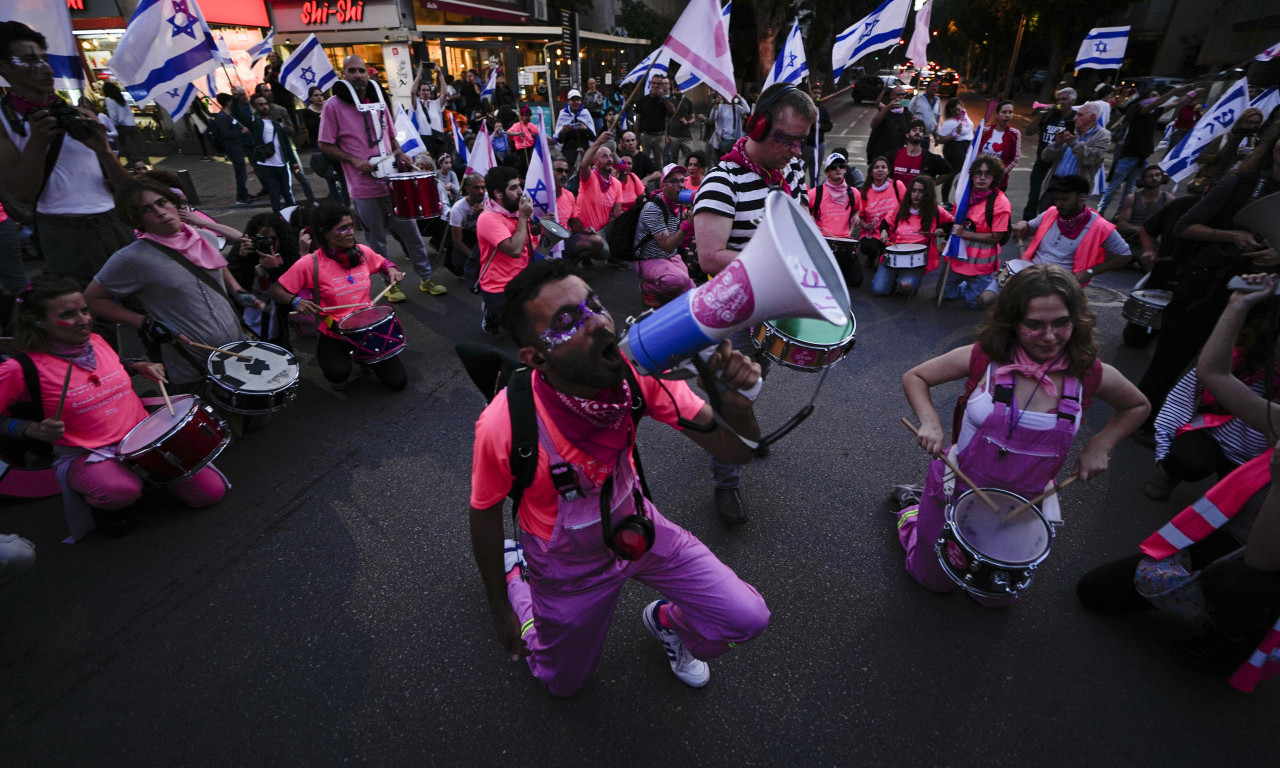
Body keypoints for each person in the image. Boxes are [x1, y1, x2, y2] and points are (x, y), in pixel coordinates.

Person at [468, 259, 770, 696]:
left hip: (638, 525)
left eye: (594, 305)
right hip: (566, 565)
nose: (597, 323)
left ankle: (667, 622)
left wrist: (737, 407)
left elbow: (736, 452)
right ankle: (519, 579)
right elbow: (484, 513)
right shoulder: (504, 423)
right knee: (561, 685)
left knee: (746, 618)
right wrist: (501, 606)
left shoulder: (638, 375)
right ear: (536, 358)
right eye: (567, 322)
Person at [895, 263, 1148, 601]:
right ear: (1012, 322)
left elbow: (1137, 406)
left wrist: (1101, 444)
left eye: (1061, 323)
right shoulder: (984, 358)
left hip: (1023, 504)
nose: (1049, 336)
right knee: (933, 581)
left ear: (1077, 320)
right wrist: (930, 422)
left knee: (991, 597)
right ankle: (914, 513)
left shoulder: (1089, 373)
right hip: (956, 488)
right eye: (1034, 324)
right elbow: (916, 377)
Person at [1077, 275, 1280, 684]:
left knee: (1235, 583)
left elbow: (1261, 560)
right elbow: (1213, 374)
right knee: (1097, 591)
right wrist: (1238, 304)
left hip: (1259, 563)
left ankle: (1235, 637)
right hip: (1235, 535)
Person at [3, 275, 229, 538]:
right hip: (90, 452)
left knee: (210, 494)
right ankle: (106, 507)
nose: (84, 320)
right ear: (37, 320)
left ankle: (143, 474)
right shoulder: (19, 369)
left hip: (145, 439)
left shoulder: (95, 341)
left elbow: (113, 363)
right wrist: (28, 429)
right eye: (68, 314)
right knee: (120, 491)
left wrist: (137, 365)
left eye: (84, 310)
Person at [692, 82, 816, 525]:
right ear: (757, 125)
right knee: (730, 397)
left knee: (754, 377)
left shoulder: (793, 168)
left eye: (801, 140)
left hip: (774, 306)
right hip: (734, 309)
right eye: (786, 139)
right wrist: (777, 263)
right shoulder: (721, 181)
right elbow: (710, 256)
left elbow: (801, 221)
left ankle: (740, 416)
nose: (795, 150)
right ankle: (726, 483)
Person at [1130, 130, 1280, 446]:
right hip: (1205, 287)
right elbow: (1185, 226)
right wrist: (1232, 237)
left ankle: (1203, 436)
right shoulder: (1240, 183)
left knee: (1234, 370)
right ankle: (1141, 420)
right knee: (1170, 358)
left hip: (1260, 298)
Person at [84, 179, 258, 392]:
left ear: (174, 204)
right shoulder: (131, 259)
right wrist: (146, 322)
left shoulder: (204, 238)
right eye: (147, 210)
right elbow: (92, 299)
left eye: (162, 202)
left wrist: (237, 290)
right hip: (193, 364)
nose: (160, 212)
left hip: (236, 347)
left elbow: (215, 264)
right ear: (136, 219)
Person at [0, 23, 133, 288]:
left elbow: (125, 187)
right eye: (29, 61)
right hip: (62, 230)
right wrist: (37, 142)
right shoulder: (5, 121)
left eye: (45, 59)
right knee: (83, 305)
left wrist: (104, 151)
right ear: (4, 67)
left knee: (142, 298)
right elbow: (21, 193)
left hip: (112, 220)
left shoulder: (80, 115)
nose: (47, 69)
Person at [317, 55, 447, 300]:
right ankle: (390, 284)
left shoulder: (378, 99)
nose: (357, 75)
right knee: (376, 241)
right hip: (363, 186)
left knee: (412, 234)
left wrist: (401, 153)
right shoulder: (333, 105)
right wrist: (354, 160)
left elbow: (392, 136)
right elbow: (324, 144)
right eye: (352, 71)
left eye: (361, 70)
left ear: (368, 73)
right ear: (343, 74)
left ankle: (426, 278)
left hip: (393, 183)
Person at [268, 201, 408, 391]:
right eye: (342, 228)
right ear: (325, 233)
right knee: (337, 373)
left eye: (351, 226)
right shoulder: (310, 263)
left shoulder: (361, 252)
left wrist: (392, 270)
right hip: (333, 331)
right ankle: (341, 360)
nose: (350, 232)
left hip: (367, 329)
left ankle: (364, 358)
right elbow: (275, 290)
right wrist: (295, 300)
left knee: (398, 383)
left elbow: (384, 263)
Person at [986, 174, 1129, 306]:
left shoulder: (1100, 226)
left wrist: (1090, 272)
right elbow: (1028, 228)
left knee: (1021, 310)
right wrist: (1023, 225)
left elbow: (1125, 255)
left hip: (1061, 284)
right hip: (1032, 273)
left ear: (1082, 197)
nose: (1059, 204)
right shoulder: (1051, 213)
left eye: (1064, 199)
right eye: (1056, 199)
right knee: (985, 298)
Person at [939, 155, 1012, 309]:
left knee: (975, 304)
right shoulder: (963, 196)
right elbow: (955, 221)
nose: (982, 177)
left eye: (988, 174)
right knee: (944, 294)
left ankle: (993, 286)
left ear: (995, 177)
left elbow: (996, 237)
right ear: (972, 175)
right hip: (957, 260)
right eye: (978, 173)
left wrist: (966, 234)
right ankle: (968, 287)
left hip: (981, 267)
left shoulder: (1000, 203)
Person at [476, 166, 536, 334]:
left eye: (519, 186)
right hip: (499, 285)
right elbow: (515, 250)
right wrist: (523, 217)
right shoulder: (488, 218)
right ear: (498, 194)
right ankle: (490, 311)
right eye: (514, 188)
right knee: (522, 330)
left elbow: (528, 244)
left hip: (522, 274)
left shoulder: (515, 209)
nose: (520, 192)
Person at [871, 175, 953, 296]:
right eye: (913, 190)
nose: (916, 194)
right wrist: (884, 231)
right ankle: (894, 278)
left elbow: (951, 223)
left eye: (920, 191)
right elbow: (886, 222)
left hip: (916, 260)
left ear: (928, 194)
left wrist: (941, 230)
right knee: (879, 290)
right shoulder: (901, 209)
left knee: (906, 286)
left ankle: (907, 281)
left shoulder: (936, 211)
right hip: (895, 254)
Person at [231, 212, 300, 349]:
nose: (266, 244)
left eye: (272, 239)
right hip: (245, 323)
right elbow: (231, 288)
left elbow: (289, 300)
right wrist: (240, 259)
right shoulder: (242, 253)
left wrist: (275, 270)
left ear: (281, 239)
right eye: (261, 239)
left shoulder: (289, 258)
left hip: (274, 324)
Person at [634, 163, 697, 307]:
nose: (680, 185)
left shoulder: (675, 203)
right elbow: (667, 246)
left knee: (691, 291)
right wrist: (688, 223)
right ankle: (647, 288)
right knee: (678, 280)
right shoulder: (653, 208)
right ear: (662, 186)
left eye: (682, 180)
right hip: (649, 260)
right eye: (674, 181)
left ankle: (669, 288)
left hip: (670, 257)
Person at [1036, 101, 1111, 213]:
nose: (1075, 118)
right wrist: (1057, 144)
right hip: (1055, 183)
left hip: (1075, 188)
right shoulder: (1071, 130)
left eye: (1080, 115)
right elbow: (1045, 158)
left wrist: (1074, 144)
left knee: (1066, 218)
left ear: (1092, 117)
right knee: (1045, 215)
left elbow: (1093, 159)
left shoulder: (1103, 135)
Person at [1098, 92, 1163, 217]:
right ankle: (1101, 211)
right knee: (1114, 186)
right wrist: (1175, 92)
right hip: (1128, 154)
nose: (1157, 98)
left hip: (1142, 156)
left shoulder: (1154, 113)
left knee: (1130, 188)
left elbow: (1173, 103)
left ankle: (1119, 214)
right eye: (1153, 95)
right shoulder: (1138, 111)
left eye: (1158, 95)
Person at [807, 152, 863, 288]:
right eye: (833, 167)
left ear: (845, 169)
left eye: (841, 166)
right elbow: (802, 206)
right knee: (822, 283)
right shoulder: (816, 192)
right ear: (827, 172)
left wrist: (856, 216)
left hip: (845, 244)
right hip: (823, 243)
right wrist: (808, 215)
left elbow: (857, 209)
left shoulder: (854, 193)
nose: (838, 169)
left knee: (856, 281)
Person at [1022, 88, 1077, 220]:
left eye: (1064, 99)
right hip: (1042, 162)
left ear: (1072, 101)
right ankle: (1028, 222)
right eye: (1058, 99)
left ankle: (1048, 221)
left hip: (1059, 166)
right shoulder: (1049, 116)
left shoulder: (1075, 118)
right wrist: (1043, 114)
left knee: (1052, 198)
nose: (1060, 102)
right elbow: (1028, 131)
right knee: (1034, 195)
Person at [572, 131, 624, 268]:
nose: (609, 159)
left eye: (610, 156)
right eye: (604, 156)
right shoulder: (589, 177)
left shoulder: (616, 184)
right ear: (595, 161)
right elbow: (584, 165)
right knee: (603, 252)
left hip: (603, 229)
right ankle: (578, 259)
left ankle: (613, 259)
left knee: (622, 225)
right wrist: (598, 142)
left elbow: (617, 213)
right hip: (584, 229)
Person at [248, 93, 300, 213]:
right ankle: (278, 217)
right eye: (260, 105)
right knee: (274, 193)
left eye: (265, 104)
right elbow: (240, 115)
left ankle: (293, 215)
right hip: (266, 165)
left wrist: (293, 161)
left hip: (282, 164)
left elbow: (286, 144)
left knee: (287, 192)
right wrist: (238, 99)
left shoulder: (276, 124)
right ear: (255, 107)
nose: (264, 107)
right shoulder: (256, 123)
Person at [552, 157, 606, 269]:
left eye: (566, 171)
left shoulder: (569, 195)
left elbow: (574, 221)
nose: (564, 174)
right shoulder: (539, 197)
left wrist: (585, 231)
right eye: (559, 170)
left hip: (564, 242)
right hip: (544, 245)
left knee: (597, 241)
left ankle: (569, 265)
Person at [1194, 108, 1266, 191]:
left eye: (1256, 123)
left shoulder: (1255, 142)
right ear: (1241, 121)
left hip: (1234, 185)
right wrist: (1218, 157)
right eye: (1249, 122)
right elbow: (1201, 158)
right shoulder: (1225, 137)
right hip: (1211, 183)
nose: (1252, 126)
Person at [1114, 165, 1174, 252]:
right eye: (1150, 176)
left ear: (1163, 178)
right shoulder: (1132, 198)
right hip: (1128, 241)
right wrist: (1143, 230)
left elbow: (1170, 227)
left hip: (1150, 244)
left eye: (1157, 175)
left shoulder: (1168, 199)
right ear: (1142, 181)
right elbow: (1122, 225)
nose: (1154, 178)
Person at [211, 92, 254, 206]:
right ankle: (241, 197)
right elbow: (226, 134)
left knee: (242, 172)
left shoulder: (229, 115)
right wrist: (241, 132)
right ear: (228, 102)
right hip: (232, 148)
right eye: (231, 101)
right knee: (240, 173)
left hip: (237, 146)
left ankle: (244, 193)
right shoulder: (222, 118)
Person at [448, 173, 486, 285]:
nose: (481, 191)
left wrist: (484, 214)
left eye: (483, 187)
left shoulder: (489, 199)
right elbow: (457, 242)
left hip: (485, 236)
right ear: (467, 189)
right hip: (468, 238)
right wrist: (475, 259)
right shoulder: (457, 209)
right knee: (459, 263)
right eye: (476, 188)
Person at [935, 98, 974, 205]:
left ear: (961, 106)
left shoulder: (964, 115)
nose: (957, 112)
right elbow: (940, 140)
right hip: (954, 149)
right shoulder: (950, 122)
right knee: (958, 174)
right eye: (953, 112)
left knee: (953, 174)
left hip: (964, 148)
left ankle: (948, 199)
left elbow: (969, 130)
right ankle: (947, 200)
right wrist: (954, 135)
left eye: (958, 109)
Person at [975, 100, 1020, 193]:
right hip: (979, 179)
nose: (1007, 115)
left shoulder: (1015, 134)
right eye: (1004, 112)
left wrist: (999, 173)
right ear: (997, 114)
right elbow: (974, 152)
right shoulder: (985, 131)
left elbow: (1014, 158)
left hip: (999, 182)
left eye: (1010, 112)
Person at [891, 120, 951, 185]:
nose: (917, 132)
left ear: (923, 137)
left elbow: (948, 171)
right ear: (907, 135)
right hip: (897, 191)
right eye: (914, 130)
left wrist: (931, 185)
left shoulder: (929, 158)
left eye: (920, 131)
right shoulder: (895, 154)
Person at [635, 75, 675, 169]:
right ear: (650, 84)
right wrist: (636, 136)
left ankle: (659, 178)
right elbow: (637, 120)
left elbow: (673, 111)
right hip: (645, 136)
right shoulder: (642, 100)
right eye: (654, 83)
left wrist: (663, 98)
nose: (656, 85)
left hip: (659, 137)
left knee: (659, 163)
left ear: (661, 85)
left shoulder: (665, 101)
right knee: (643, 161)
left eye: (658, 84)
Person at [867, 85, 911, 167]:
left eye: (903, 94)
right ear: (891, 97)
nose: (901, 97)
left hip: (897, 156)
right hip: (882, 155)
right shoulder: (885, 110)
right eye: (898, 95)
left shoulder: (907, 113)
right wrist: (888, 107)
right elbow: (873, 124)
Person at [102, 82, 143, 165]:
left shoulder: (109, 100)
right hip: (131, 124)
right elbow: (129, 112)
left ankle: (132, 162)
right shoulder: (122, 98)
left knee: (125, 146)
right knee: (137, 144)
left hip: (121, 126)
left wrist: (112, 126)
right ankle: (144, 160)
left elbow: (113, 114)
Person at [555, 89, 596, 169]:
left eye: (578, 100)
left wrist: (585, 129)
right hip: (568, 153)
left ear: (581, 101)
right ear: (568, 101)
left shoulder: (585, 113)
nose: (575, 102)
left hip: (585, 153)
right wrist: (563, 132)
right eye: (573, 100)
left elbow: (592, 136)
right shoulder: (563, 114)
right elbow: (559, 139)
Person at [666, 82, 703, 166]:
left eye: (680, 89)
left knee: (689, 158)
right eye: (677, 89)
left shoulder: (688, 101)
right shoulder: (670, 101)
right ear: (673, 89)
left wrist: (688, 122)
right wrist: (666, 136)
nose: (679, 91)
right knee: (673, 160)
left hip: (686, 136)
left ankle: (687, 173)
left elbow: (693, 118)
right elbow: (666, 120)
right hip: (673, 136)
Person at [802, 83, 834, 175]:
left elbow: (829, 125)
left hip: (819, 145)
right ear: (810, 94)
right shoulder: (805, 109)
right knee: (801, 171)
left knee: (815, 172)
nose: (817, 95)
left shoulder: (822, 110)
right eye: (815, 93)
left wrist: (821, 126)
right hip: (806, 146)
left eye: (819, 93)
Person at [909, 78, 942, 151]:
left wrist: (936, 136)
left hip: (926, 138)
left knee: (924, 156)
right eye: (932, 86)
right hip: (916, 136)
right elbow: (908, 113)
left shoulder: (937, 101)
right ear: (927, 87)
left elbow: (936, 120)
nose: (934, 88)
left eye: (936, 86)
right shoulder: (917, 99)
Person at [506, 106, 540, 173]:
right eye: (526, 116)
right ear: (521, 116)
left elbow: (540, 133)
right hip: (522, 151)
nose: (528, 117)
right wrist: (518, 133)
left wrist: (549, 138)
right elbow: (508, 132)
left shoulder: (531, 125)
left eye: (529, 116)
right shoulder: (517, 125)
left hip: (531, 150)